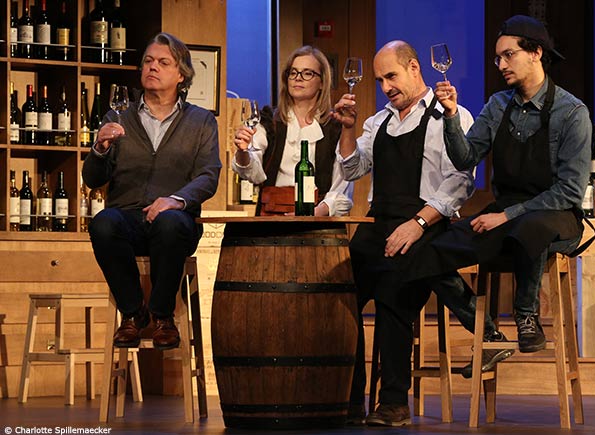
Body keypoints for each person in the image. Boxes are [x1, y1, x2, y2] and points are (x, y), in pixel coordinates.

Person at [332, 40, 510, 427]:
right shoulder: (378, 122)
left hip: (426, 224)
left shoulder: (450, 115)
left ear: (414, 68)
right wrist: (346, 130)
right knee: (339, 298)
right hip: (377, 224)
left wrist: (417, 223)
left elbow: (461, 182)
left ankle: (393, 402)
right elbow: (352, 169)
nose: (385, 87)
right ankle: (347, 399)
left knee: (394, 293)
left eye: (391, 76)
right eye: (380, 81)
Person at [424, 15, 590, 356]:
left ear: (536, 53)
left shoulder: (572, 112)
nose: (501, 64)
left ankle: (527, 316)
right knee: (429, 250)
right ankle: (486, 330)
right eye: (497, 58)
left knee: (531, 227)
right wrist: (451, 115)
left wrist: (506, 216)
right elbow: (465, 158)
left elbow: (570, 191)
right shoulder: (498, 105)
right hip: (505, 213)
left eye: (508, 55)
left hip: (556, 214)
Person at [82, 32, 221, 351]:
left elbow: (208, 175)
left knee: (169, 224)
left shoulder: (201, 121)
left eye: (163, 62)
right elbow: (92, 178)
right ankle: (133, 313)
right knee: (103, 223)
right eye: (148, 61)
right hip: (128, 219)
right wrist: (100, 149)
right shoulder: (118, 116)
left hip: (176, 221)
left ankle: (162, 316)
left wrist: (175, 200)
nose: (152, 67)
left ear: (181, 75)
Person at [233, 45, 353, 216]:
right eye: (293, 72)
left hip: (318, 219)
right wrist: (243, 152)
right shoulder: (270, 121)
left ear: (322, 82)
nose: (298, 78)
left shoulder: (334, 127)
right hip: (271, 216)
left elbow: (343, 186)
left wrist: (315, 213)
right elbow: (253, 172)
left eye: (307, 73)